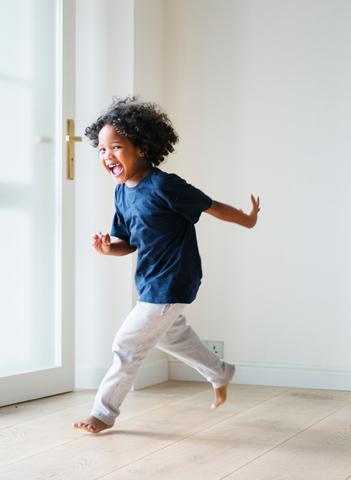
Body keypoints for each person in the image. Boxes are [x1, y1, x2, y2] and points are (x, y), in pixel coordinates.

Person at [73, 97, 260, 433]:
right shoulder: (122, 193)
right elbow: (128, 243)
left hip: (174, 279)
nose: (107, 156)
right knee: (171, 337)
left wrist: (246, 220)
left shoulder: (164, 185)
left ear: (142, 147)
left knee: (126, 345)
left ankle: (102, 413)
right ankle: (219, 371)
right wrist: (107, 248)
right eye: (101, 150)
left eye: (116, 147)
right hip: (150, 281)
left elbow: (210, 205)